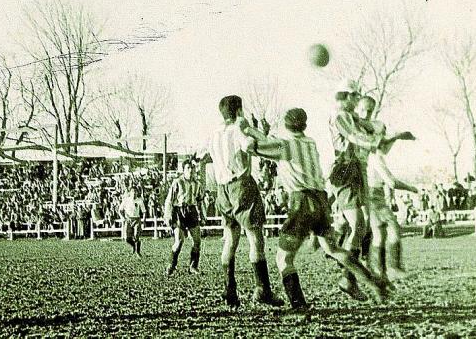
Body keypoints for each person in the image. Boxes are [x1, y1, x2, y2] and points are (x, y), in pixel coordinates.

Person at [255, 108, 389, 309]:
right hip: (320, 200)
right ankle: (374, 282)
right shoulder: (310, 143)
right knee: (333, 248)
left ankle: (299, 305)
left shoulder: (284, 145)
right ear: (305, 125)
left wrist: (251, 131)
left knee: (283, 257)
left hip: (301, 201)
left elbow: (255, 148)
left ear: (285, 125)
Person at [328, 85, 406, 300]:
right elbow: (356, 136)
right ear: (349, 97)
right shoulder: (340, 115)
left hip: (357, 170)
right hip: (346, 169)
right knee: (357, 225)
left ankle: (352, 275)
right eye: (355, 97)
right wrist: (379, 138)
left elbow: (372, 129)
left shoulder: (352, 116)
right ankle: (348, 274)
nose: (357, 101)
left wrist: (392, 136)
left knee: (363, 227)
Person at [206, 95, 284, 308]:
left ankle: (229, 289)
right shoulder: (238, 129)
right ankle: (262, 289)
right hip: (241, 185)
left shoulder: (214, 134)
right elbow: (255, 146)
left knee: (230, 239)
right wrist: (251, 130)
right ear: (239, 111)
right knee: (255, 239)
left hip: (223, 190)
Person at [354, 96, 417, 283]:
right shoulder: (375, 156)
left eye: (370, 111)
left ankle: (378, 270)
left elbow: (384, 144)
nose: (366, 114)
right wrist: (412, 188)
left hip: (370, 193)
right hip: (373, 195)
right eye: (364, 110)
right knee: (394, 230)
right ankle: (393, 268)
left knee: (379, 234)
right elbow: (392, 182)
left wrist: (397, 137)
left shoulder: (374, 152)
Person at [164, 161, 205, 275]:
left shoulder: (197, 184)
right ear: (183, 170)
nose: (191, 170)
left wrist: (202, 214)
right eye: (188, 168)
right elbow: (169, 200)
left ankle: (193, 266)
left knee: (197, 241)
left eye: (192, 168)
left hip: (191, 211)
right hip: (179, 212)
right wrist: (167, 216)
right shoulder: (177, 182)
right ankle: (171, 264)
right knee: (179, 241)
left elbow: (200, 201)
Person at [119, 185, 146, 256]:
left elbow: (144, 211)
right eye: (132, 191)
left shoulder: (140, 200)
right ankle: (133, 246)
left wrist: (143, 221)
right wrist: (123, 218)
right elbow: (120, 210)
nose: (134, 193)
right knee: (127, 238)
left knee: (136, 236)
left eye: (135, 191)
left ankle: (138, 252)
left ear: (137, 192)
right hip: (128, 219)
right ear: (130, 192)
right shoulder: (126, 200)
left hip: (136, 219)